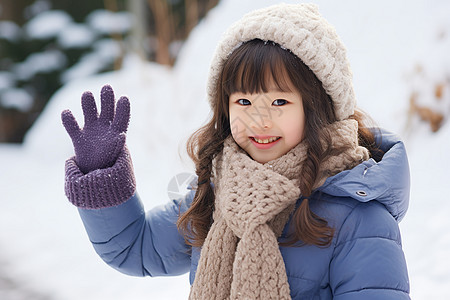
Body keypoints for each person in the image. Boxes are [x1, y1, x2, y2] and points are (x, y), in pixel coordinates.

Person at [61, 3, 410, 299]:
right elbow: (137, 248)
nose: (260, 120)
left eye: (279, 101)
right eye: (243, 100)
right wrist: (102, 174)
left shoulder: (359, 219)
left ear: (317, 108)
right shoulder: (219, 195)